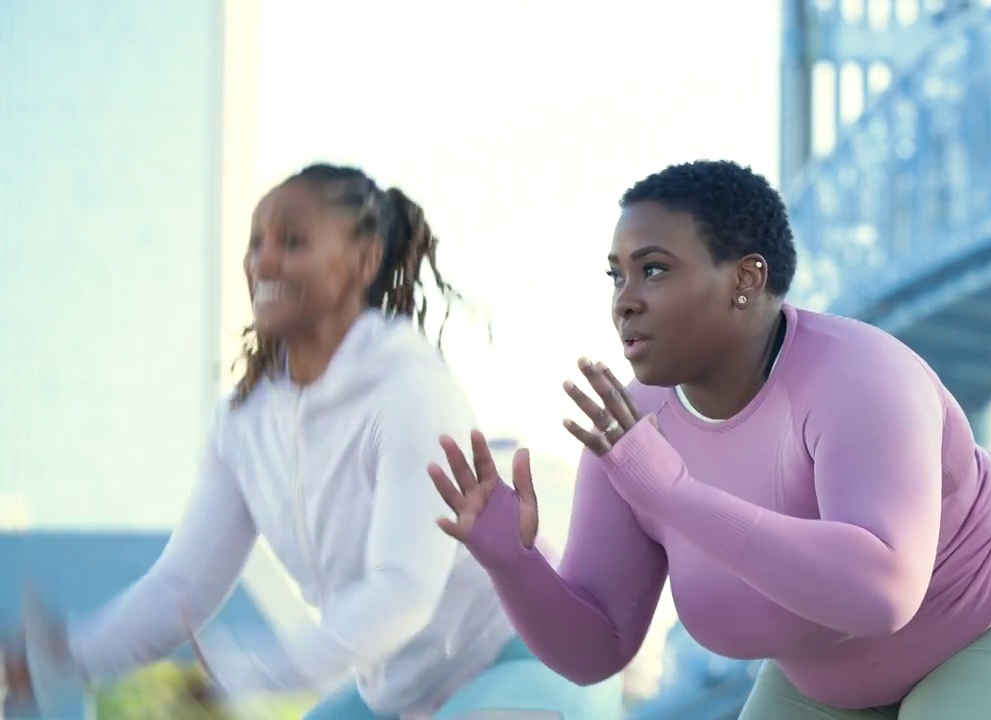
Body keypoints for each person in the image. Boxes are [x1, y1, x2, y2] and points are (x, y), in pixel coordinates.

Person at [428, 160, 991, 720]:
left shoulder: (861, 378)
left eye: (654, 269)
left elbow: (881, 593)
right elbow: (598, 649)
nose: (625, 299)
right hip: (832, 677)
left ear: (747, 279)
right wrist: (511, 561)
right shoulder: (629, 429)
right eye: (616, 275)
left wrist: (677, 495)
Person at [0, 164, 622, 720]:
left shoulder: (409, 391)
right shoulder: (244, 420)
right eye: (256, 244)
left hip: (528, 661)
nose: (263, 262)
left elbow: (402, 592)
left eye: (292, 242)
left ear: (362, 259)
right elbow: (181, 587)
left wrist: (248, 670)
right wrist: (67, 656)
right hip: (400, 689)